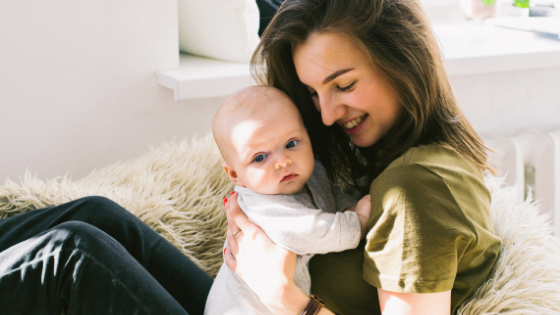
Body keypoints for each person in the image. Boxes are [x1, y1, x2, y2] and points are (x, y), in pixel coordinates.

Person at [221, 0, 502, 314]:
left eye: (344, 85)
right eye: (313, 93)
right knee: (150, 246)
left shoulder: (413, 187)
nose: (326, 115)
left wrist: (283, 296)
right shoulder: (387, 160)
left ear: (402, 62)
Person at [205, 85, 371, 315]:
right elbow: (316, 231)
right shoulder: (262, 208)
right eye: (260, 157)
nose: (283, 161)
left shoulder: (310, 173)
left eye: (291, 143)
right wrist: (359, 220)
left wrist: (349, 208)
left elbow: (331, 201)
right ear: (235, 175)